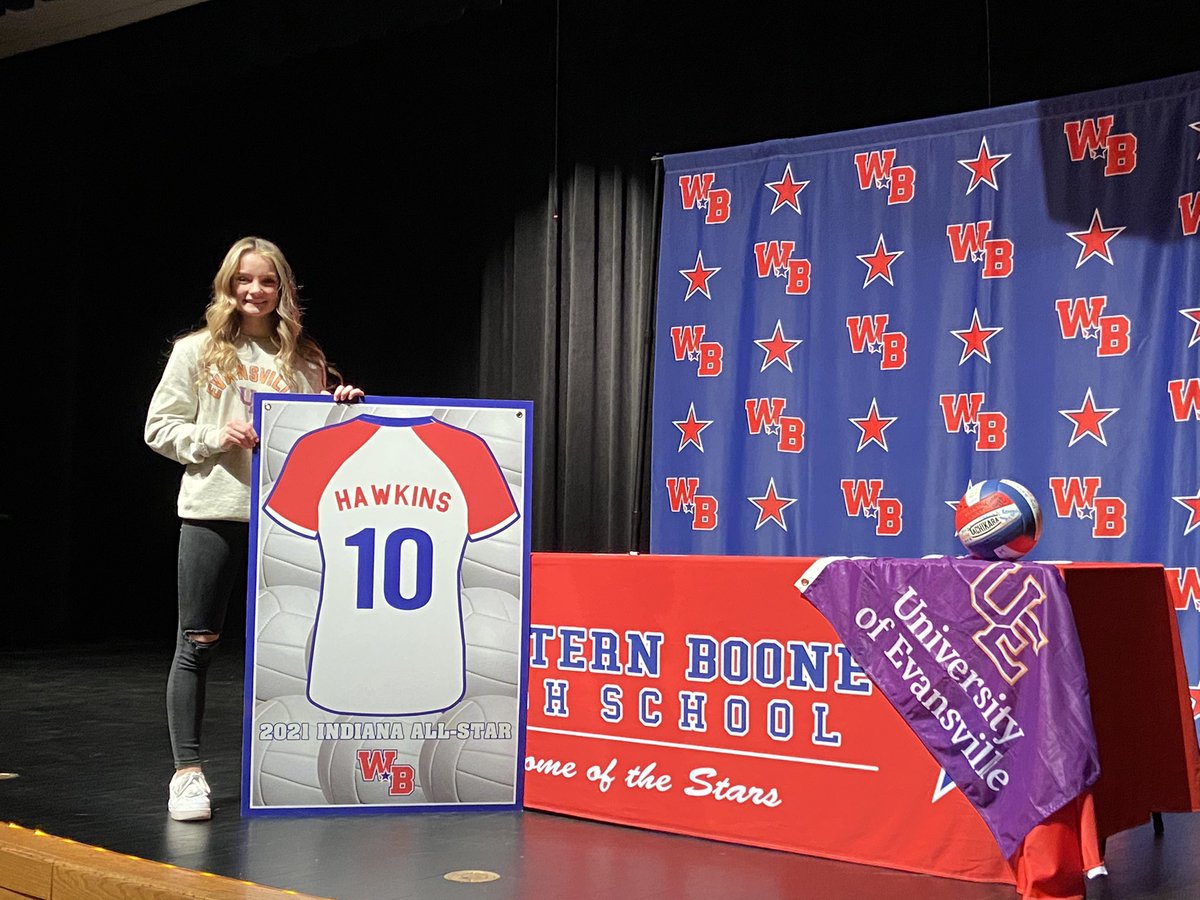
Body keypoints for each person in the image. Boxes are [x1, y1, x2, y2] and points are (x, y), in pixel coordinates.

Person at [145, 236, 363, 821]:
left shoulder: (305, 358)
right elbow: (158, 428)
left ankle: (294, 767)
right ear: (227, 285)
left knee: (295, 646)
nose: (255, 291)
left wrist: (341, 407)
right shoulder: (196, 351)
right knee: (198, 642)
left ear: (283, 289)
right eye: (244, 280)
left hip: (288, 521)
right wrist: (215, 438)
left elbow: (323, 447)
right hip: (216, 510)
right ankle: (187, 772)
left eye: (267, 281)